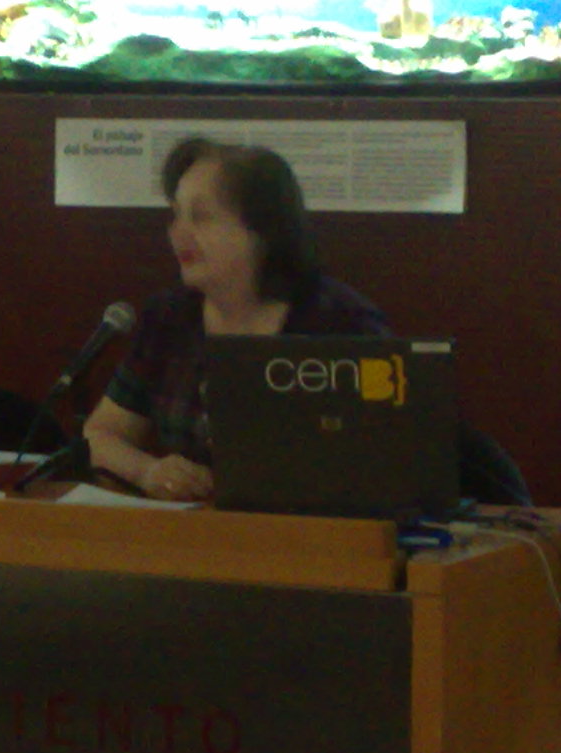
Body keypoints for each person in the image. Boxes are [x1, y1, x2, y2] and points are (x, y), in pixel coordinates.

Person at [85, 137, 390, 502]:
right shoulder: (169, 317)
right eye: (176, 215)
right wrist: (147, 471)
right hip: (194, 529)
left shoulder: (343, 324)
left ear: (263, 231)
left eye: (201, 217)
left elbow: (386, 459)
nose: (178, 233)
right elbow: (99, 435)